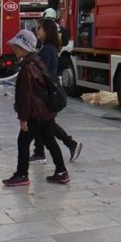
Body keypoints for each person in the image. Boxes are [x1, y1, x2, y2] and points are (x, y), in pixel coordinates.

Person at [2, 29, 70, 186]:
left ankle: (22, 175)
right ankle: (61, 172)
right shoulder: (37, 61)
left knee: (23, 141)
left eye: (16, 46)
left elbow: (27, 96)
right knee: (50, 140)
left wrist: (23, 118)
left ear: (25, 47)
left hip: (35, 113)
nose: (13, 49)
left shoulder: (28, 67)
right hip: (45, 111)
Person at [29, 18, 82, 164]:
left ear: (47, 31)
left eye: (39, 28)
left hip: (44, 93)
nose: (36, 31)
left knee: (43, 123)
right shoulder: (48, 48)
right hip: (45, 92)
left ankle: (65, 146)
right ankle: (42, 151)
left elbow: (42, 73)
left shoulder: (47, 50)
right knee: (42, 123)